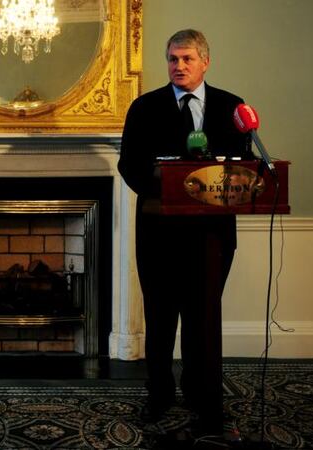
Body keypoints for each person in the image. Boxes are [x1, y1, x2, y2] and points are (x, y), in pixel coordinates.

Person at [117, 29, 251, 437]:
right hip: (159, 231)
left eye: (188, 58)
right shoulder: (145, 108)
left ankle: (202, 396)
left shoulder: (232, 106)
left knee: (203, 319)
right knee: (160, 318)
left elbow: (244, 165)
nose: (179, 66)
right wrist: (170, 188)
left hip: (212, 235)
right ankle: (159, 394)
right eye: (173, 59)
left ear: (205, 62)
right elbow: (129, 165)